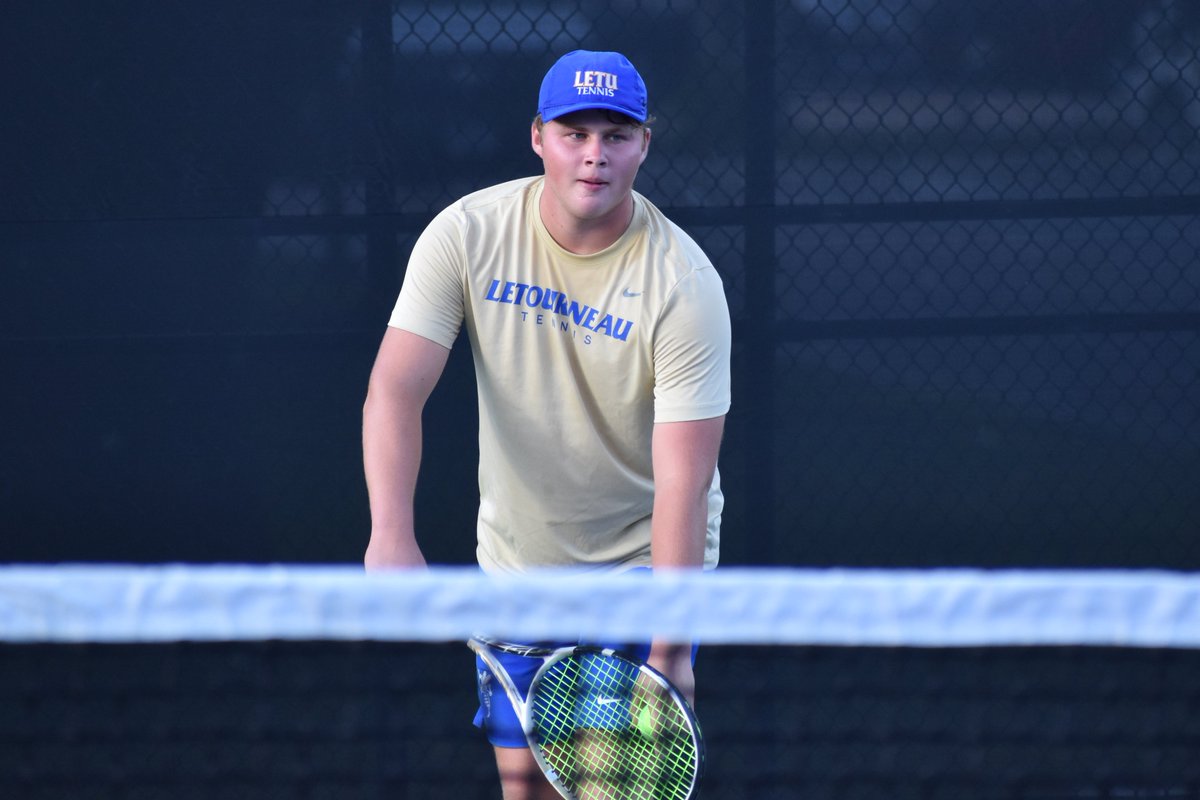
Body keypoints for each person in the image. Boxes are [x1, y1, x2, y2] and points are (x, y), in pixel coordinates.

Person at [361, 49, 731, 799]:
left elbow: (684, 487)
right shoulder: (466, 234)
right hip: (518, 569)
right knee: (524, 788)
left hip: (640, 575)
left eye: (616, 134)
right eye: (575, 132)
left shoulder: (684, 286)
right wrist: (391, 535)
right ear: (539, 138)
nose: (595, 153)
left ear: (644, 146)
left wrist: (670, 644)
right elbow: (394, 391)